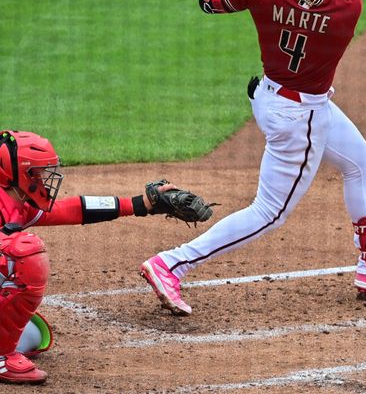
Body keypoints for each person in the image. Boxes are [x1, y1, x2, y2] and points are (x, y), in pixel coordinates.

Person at [140, 0, 366, 316]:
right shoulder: (346, 6)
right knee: (269, 212)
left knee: (360, 160)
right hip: (301, 119)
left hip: (273, 99)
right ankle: (172, 263)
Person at [0, 130, 212, 385]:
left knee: (31, 335)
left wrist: (140, 204)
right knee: (24, 251)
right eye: (39, 173)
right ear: (20, 173)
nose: (47, 180)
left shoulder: (15, 202)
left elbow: (73, 209)